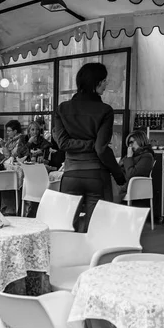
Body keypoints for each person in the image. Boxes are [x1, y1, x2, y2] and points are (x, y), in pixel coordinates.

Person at [53, 62, 126, 232]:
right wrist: (119, 175)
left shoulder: (62, 109)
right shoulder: (105, 110)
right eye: (104, 81)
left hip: (71, 174)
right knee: (95, 229)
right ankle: (91, 258)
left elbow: (63, 143)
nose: (106, 84)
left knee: (67, 228)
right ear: (96, 82)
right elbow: (101, 149)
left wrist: (87, 144)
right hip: (96, 175)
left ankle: (69, 257)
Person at [116, 131, 155, 202]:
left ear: (140, 140)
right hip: (120, 181)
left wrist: (129, 158)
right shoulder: (133, 155)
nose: (130, 146)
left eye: (132, 142)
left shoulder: (147, 157)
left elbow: (131, 174)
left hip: (129, 185)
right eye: (128, 144)